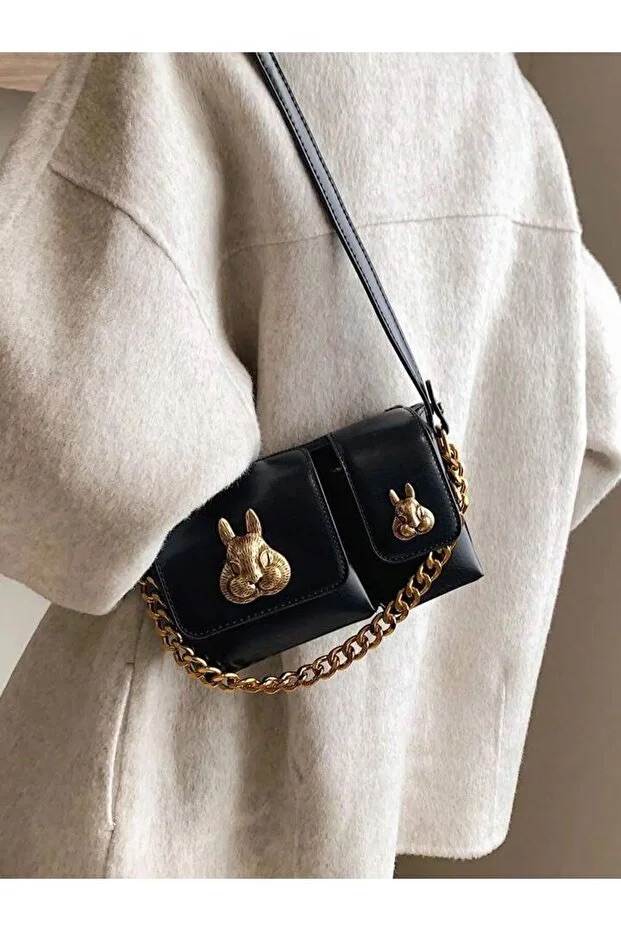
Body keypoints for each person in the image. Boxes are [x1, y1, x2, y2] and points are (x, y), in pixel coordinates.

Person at [0, 53, 619, 879]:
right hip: (374, 770)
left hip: (153, 776)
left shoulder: (173, 59)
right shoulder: (502, 101)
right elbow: (593, 414)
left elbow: (72, 453)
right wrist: (402, 566)